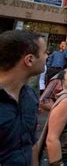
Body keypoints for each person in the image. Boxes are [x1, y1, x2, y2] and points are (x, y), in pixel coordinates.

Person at [0, 30, 47, 165]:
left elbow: (30, 144)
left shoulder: (30, 96)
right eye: (44, 53)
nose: (47, 56)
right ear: (29, 60)